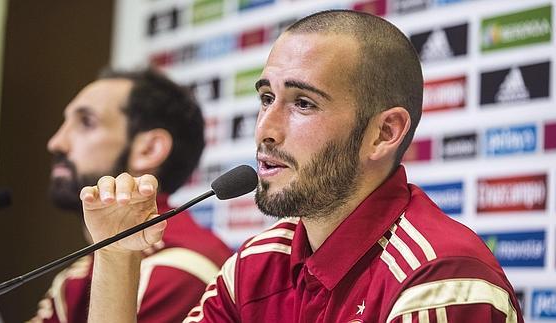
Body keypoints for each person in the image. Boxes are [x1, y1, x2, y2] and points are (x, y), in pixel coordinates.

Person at [80, 10, 524, 323]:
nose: (265, 130)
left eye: (304, 103)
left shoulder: (440, 280)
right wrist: (117, 257)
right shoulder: (255, 266)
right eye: (266, 98)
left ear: (384, 133)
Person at [29, 68, 233, 322]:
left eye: (86, 123)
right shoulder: (76, 277)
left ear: (149, 149)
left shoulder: (179, 270)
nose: (56, 142)